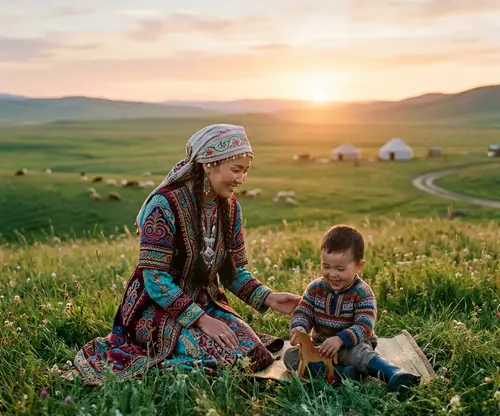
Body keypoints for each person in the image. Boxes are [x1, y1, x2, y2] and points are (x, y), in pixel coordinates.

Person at [74, 124, 301, 386]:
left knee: (254, 354)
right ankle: (161, 367)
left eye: (245, 171)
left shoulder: (230, 209)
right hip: (155, 310)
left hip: (204, 304)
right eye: (236, 170)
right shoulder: (164, 205)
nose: (241, 179)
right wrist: (202, 320)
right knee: (227, 360)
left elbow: (233, 274)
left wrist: (271, 298)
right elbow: (155, 278)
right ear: (208, 164)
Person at [284, 224, 420, 391]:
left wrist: (341, 339)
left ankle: (393, 373)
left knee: (361, 354)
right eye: (326, 266)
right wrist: (299, 328)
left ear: (359, 266)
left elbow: (365, 326)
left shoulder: (362, 293)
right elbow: (303, 311)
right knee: (291, 357)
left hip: (351, 346)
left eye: (340, 269)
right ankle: (344, 373)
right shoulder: (315, 288)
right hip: (320, 346)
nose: (332, 274)